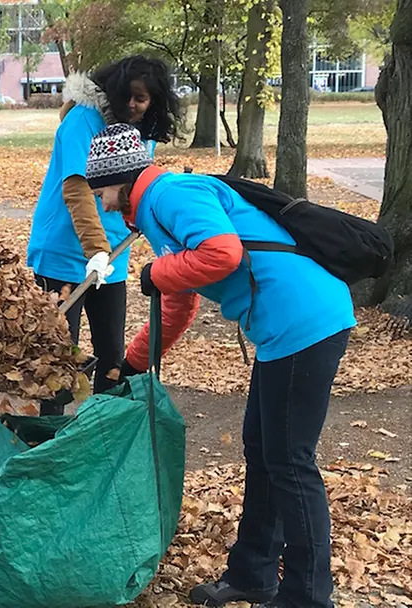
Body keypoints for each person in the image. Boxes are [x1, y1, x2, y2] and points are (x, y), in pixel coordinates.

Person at [85, 123, 356, 608]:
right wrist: (130, 364)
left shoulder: (172, 195)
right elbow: (177, 303)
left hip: (305, 322)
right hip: (282, 331)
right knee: (263, 449)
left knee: (290, 461)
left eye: (100, 189)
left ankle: (309, 597)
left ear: (122, 180)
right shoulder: (154, 212)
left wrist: (156, 271)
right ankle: (253, 574)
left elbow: (223, 254)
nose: (101, 202)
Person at [26, 55, 184, 411]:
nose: (132, 105)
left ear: (153, 102)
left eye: (141, 99)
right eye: (127, 96)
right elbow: (77, 189)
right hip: (64, 252)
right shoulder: (83, 120)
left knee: (111, 354)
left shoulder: (142, 130)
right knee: (59, 358)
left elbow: (136, 188)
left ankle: (99, 436)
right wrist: (94, 250)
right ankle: (49, 443)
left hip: (114, 256)